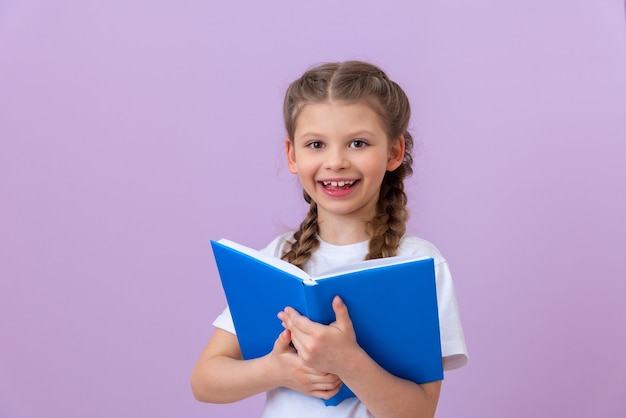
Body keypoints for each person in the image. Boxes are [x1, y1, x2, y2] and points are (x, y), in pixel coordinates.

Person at [191, 61, 468, 418]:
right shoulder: (278, 258)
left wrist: (348, 361)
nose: (335, 162)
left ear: (394, 152)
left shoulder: (420, 265)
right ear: (293, 155)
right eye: (316, 144)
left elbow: (418, 412)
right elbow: (204, 380)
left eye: (358, 142)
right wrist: (278, 371)